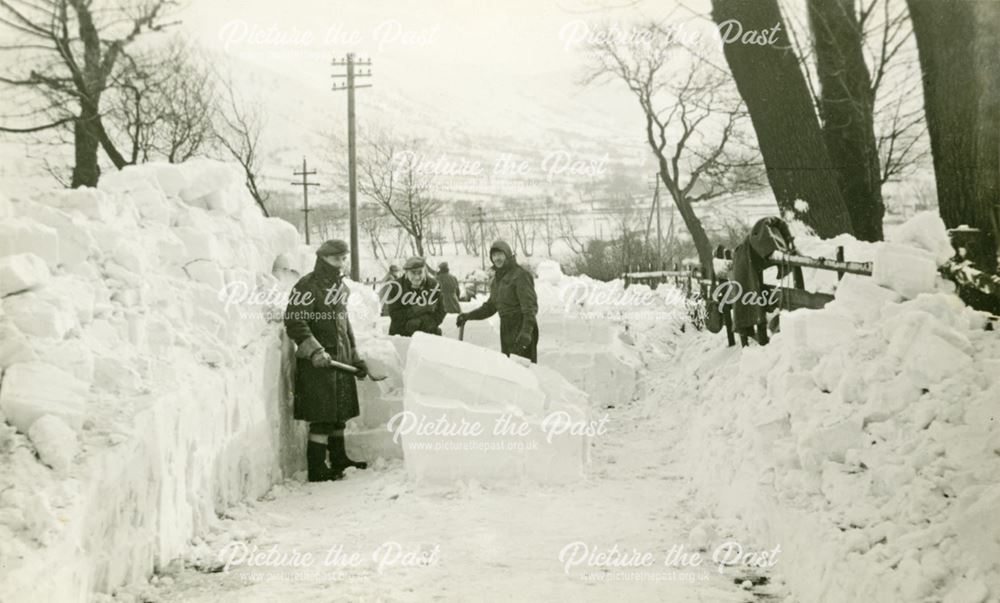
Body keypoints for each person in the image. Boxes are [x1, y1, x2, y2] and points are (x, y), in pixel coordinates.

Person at [283, 239, 370, 482]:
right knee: (321, 417)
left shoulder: (341, 289)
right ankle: (317, 468)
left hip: (339, 357)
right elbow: (295, 322)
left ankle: (339, 458)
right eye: (335, 259)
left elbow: (345, 327)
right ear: (322, 259)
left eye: (343, 258)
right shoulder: (307, 286)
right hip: (318, 362)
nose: (340, 263)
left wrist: (355, 357)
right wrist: (314, 351)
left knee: (339, 412)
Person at [457, 240, 539, 363]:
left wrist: (526, 332)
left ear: (507, 254)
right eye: (494, 256)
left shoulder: (520, 275)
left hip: (521, 326)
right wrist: (468, 316)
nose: (497, 258)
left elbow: (530, 307)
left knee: (524, 372)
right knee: (509, 369)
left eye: (500, 254)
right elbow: (490, 307)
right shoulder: (496, 281)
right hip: (506, 329)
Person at [387, 256, 446, 336]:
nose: (417, 277)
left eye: (420, 272)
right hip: (401, 333)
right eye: (413, 273)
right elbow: (394, 314)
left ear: (425, 271)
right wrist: (416, 310)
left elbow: (441, 312)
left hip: (427, 331)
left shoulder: (434, 285)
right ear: (406, 273)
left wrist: (422, 321)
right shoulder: (395, 287)